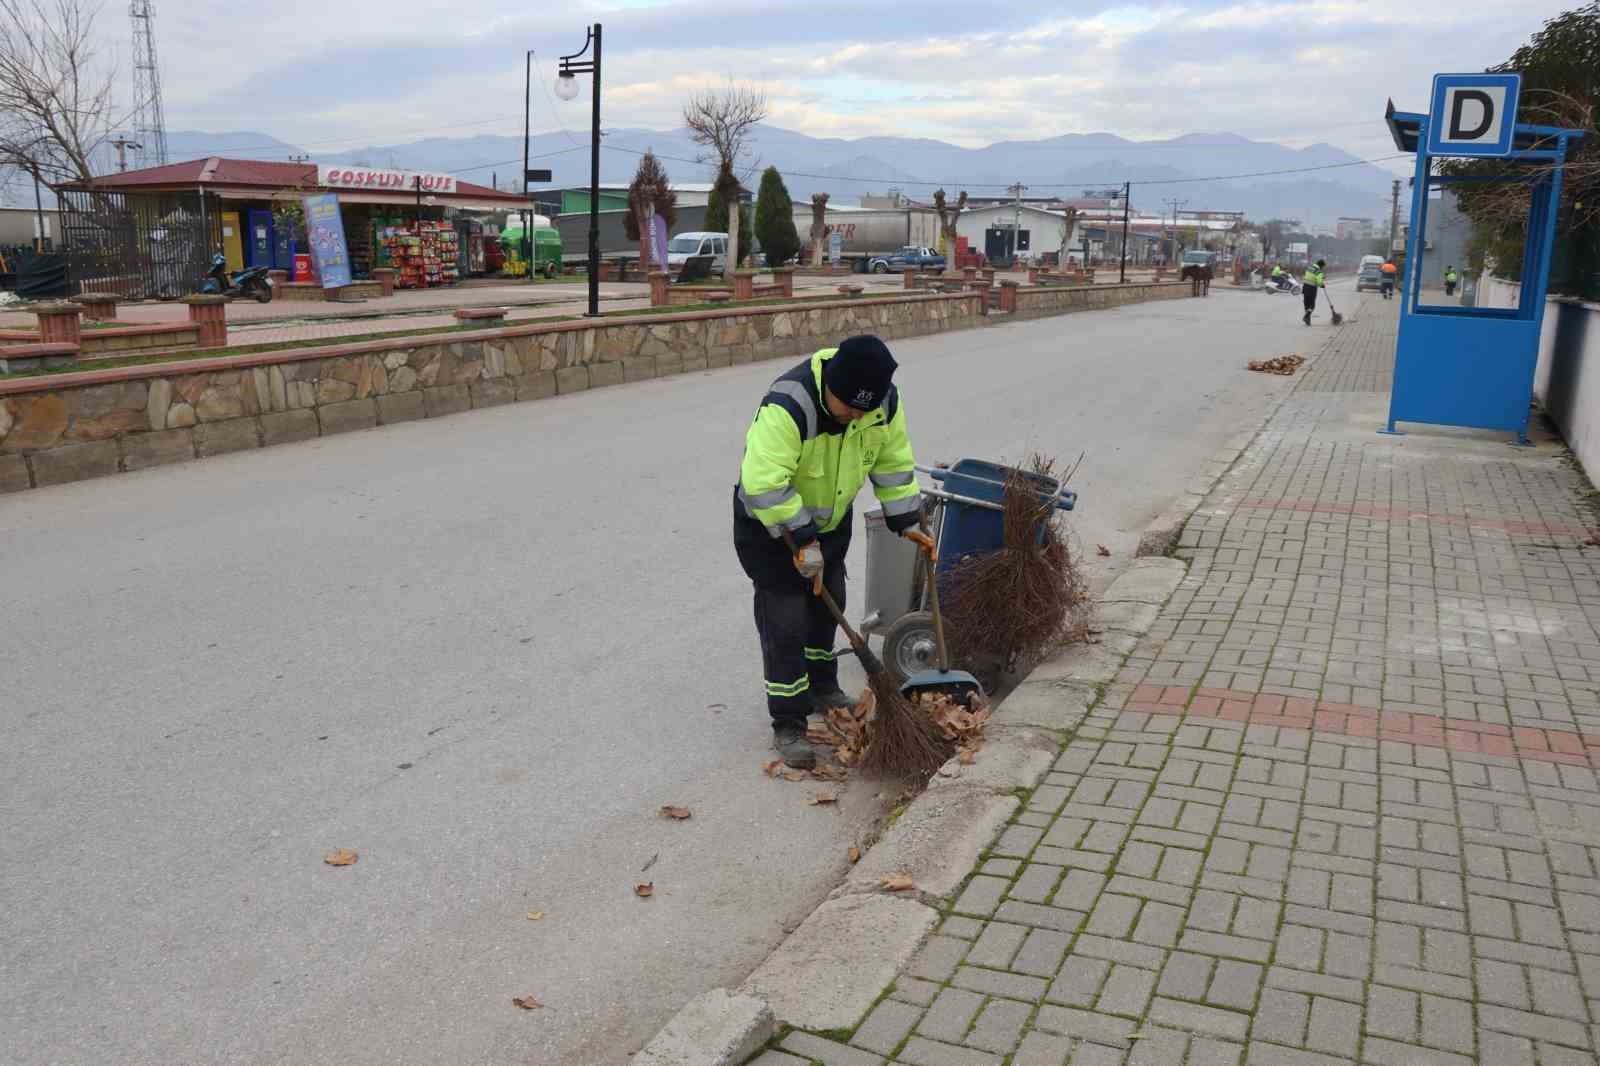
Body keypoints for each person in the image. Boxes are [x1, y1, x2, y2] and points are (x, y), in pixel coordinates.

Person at [734, 335, 931, 769]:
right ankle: (788, 722)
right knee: (785, 622)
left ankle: (822, 685)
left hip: (829, 522)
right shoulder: (790, 405)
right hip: (771, 529)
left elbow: (893, 462)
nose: (857, 416)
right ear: (830, 388)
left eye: (865, 409)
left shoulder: (882, 403)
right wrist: (803, 540)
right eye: (848, 407)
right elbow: (764, 483)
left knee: (828, 606)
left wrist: (907, 521)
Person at [1301, 258, 1326, 325]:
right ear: (1321, 266)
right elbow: (1319, 282)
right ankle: (1306, 316)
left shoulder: (1309, 268)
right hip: (1312, 288)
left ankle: (1307, 320)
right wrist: (1322, 285)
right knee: (1312, 305)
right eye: (1323, 267)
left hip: (1305, 286)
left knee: (1306, 303)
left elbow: (1306, 275)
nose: (1323, 268)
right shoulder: (1318, 272)